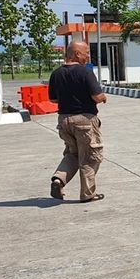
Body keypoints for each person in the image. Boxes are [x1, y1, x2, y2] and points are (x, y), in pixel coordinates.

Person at [48, 41, 107, 202]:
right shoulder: (85, 72)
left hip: (64, 120)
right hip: (84, 121)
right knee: (89, 157)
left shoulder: (56, 73)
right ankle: (88, 194)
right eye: (86, 52)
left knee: (73, 154)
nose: (88, 56)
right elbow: (96, 96)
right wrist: (103, 97)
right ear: (76, 54)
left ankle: (58, 179)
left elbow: (53, 99)